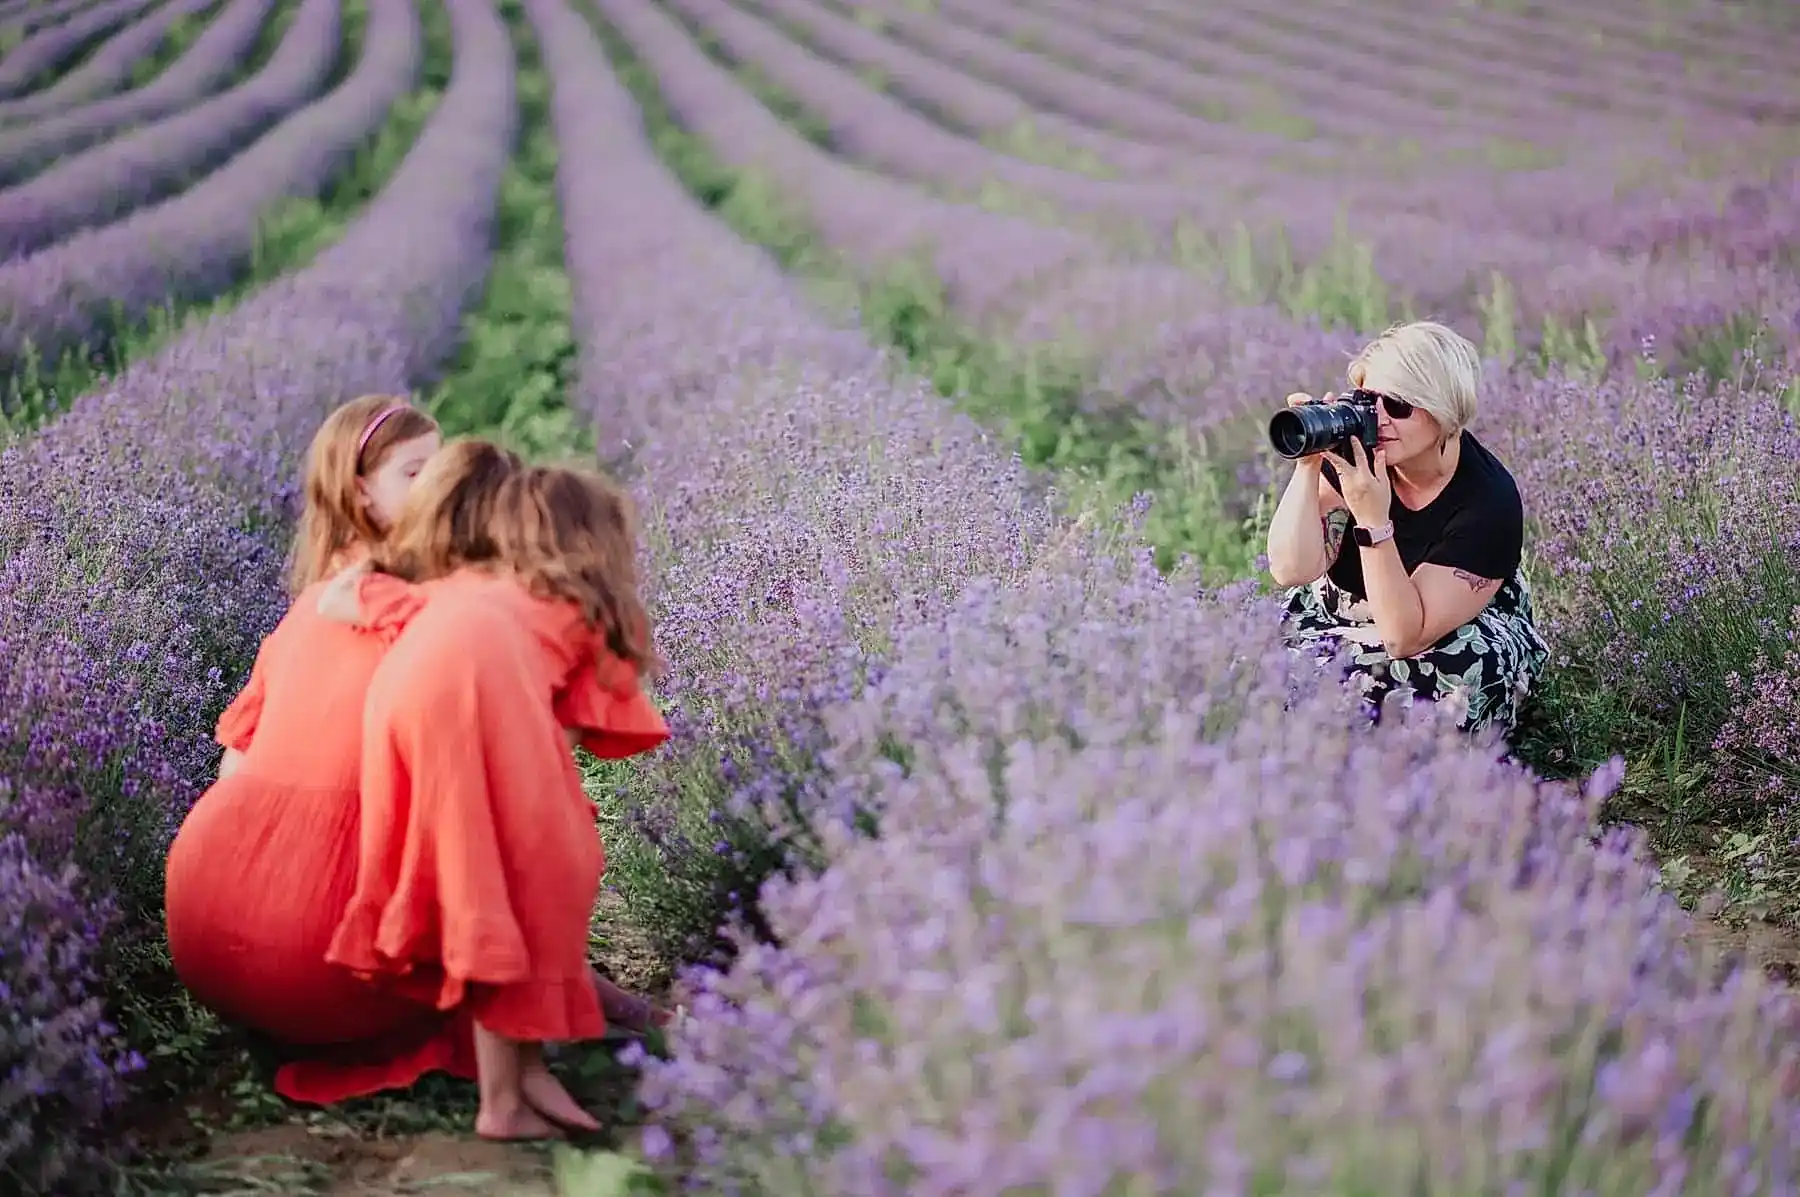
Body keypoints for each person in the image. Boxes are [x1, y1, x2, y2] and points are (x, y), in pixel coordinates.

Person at [165, 405, 664, 1113]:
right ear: (362, 494)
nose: (434, 483)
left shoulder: (317, 601)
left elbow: (232, 772)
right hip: (320, 961)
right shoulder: (450, 622)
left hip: (202, 929)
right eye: (414, 470)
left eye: (440, 465)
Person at [317, 445, 670, 1140]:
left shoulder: (478, 584)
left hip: (407, 696)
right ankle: (502, 1101)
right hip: (470, 699)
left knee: (485, 889)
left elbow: (350, 593)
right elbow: (573, 736)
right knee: (543, 877)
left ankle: (521, 1076)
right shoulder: (582, 605)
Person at [1264, 320, 1548, 740]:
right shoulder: (1357, 452)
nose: (1378, 418)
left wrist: (1373, 519)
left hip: (1446, 632)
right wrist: (1309, 465)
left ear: (1445, 413)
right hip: (1340, 615)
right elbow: (1291, 570)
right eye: (1367, 400)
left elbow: (1403, 638)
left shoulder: (1488, 502)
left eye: (1398, 405)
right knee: (1250, 665)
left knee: (1432, 693)